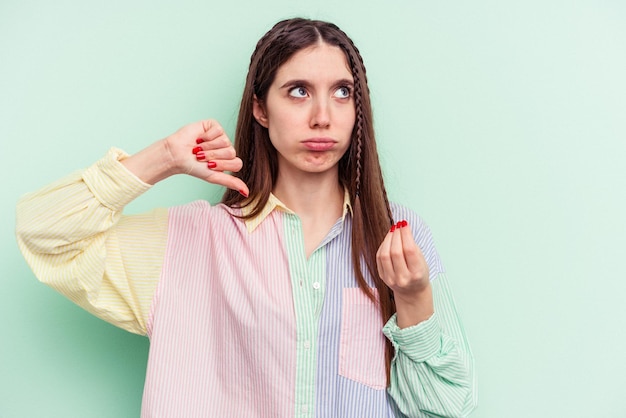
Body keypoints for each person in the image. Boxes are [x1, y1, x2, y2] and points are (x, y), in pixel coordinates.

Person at [16, 17, 477, 418]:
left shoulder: (396, 236)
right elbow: (42, 233)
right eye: (298, 92)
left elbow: (446, 405)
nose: (322, 117)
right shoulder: (188, 243)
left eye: (341, 93)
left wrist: (413, 298)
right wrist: (164, 158)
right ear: (260, 107)